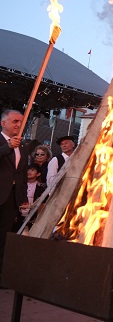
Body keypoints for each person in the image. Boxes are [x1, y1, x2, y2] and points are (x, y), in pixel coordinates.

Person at [0, 110, 28, 278]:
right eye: (15, 121)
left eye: (21, 121)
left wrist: (22, 199)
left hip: (11, 198)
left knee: (4, 237)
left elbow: (22, 174)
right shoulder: (8, 144)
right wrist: (7, 147)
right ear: (4, 123)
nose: (19, 124)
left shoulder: (23, 146)